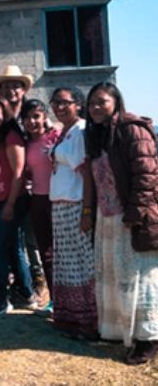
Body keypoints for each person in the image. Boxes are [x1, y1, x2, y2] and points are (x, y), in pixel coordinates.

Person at [85, 82, 158, 365]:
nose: (95, 108)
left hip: (132, 217)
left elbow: (147, 175)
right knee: (116, 277)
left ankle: (148, 338)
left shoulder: (132, 128)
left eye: (101, 102)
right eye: (91, 104)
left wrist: (135, 214)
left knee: (142, 280)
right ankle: (117, 331)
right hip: (108, 216)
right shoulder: (99, 134)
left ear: (116, 102)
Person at [0, 64, 46, 296]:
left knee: (31, 238)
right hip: (14, 186)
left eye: (16, 85)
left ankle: (36, 278)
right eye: (7, 86)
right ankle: (22, 282)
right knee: (14, 238)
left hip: (34, 185)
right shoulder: (0, 118)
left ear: (23, 89)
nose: (12, 90)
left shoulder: (31, 113)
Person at [0, 98, 37, 319]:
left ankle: (0, 299)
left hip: (11, 201)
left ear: (5, 114)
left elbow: (18, 173)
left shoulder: (11, 137)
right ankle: (25, 292)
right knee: (13, 247)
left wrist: (10, 204)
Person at [48, 86, 97, 339]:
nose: (58, 106)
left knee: (82, 264)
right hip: (60, 206)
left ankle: (89, 322)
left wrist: (87, 211)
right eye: (55, 102)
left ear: (78, 103)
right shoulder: (63, 133)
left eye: (64, 102)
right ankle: (69, 317)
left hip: (76, 205)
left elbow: (86, 173)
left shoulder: (80, 131)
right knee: (67, 265)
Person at [22, 98, 61, 311]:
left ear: (45, 116)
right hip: (37, 200)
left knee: (63, 250)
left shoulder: (56, 136)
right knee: (45, 252)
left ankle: (70, 299)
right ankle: (55, 299)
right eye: (27, 118)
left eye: (36, 116)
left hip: (59, 199)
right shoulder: (27, 143)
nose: (32, 121)